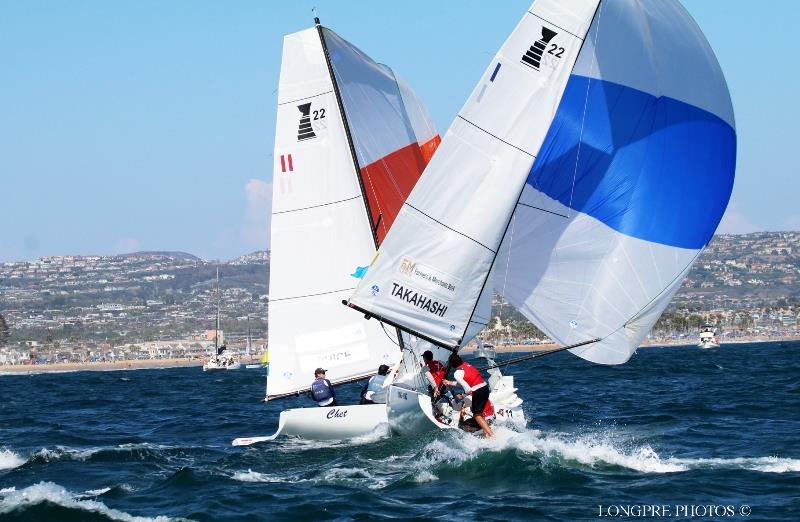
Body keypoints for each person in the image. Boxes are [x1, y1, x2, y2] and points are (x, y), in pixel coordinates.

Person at [442, 353, 494, 438]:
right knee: (479, 413)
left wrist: (462, 395)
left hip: (478, 391)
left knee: (476, 415)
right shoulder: (466, 365)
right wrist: (450, 383)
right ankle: (486, 433)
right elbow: (467, 382)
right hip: (485, 388)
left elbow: (468, 389)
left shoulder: (457, 373)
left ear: (452, 364)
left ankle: (491, 435)